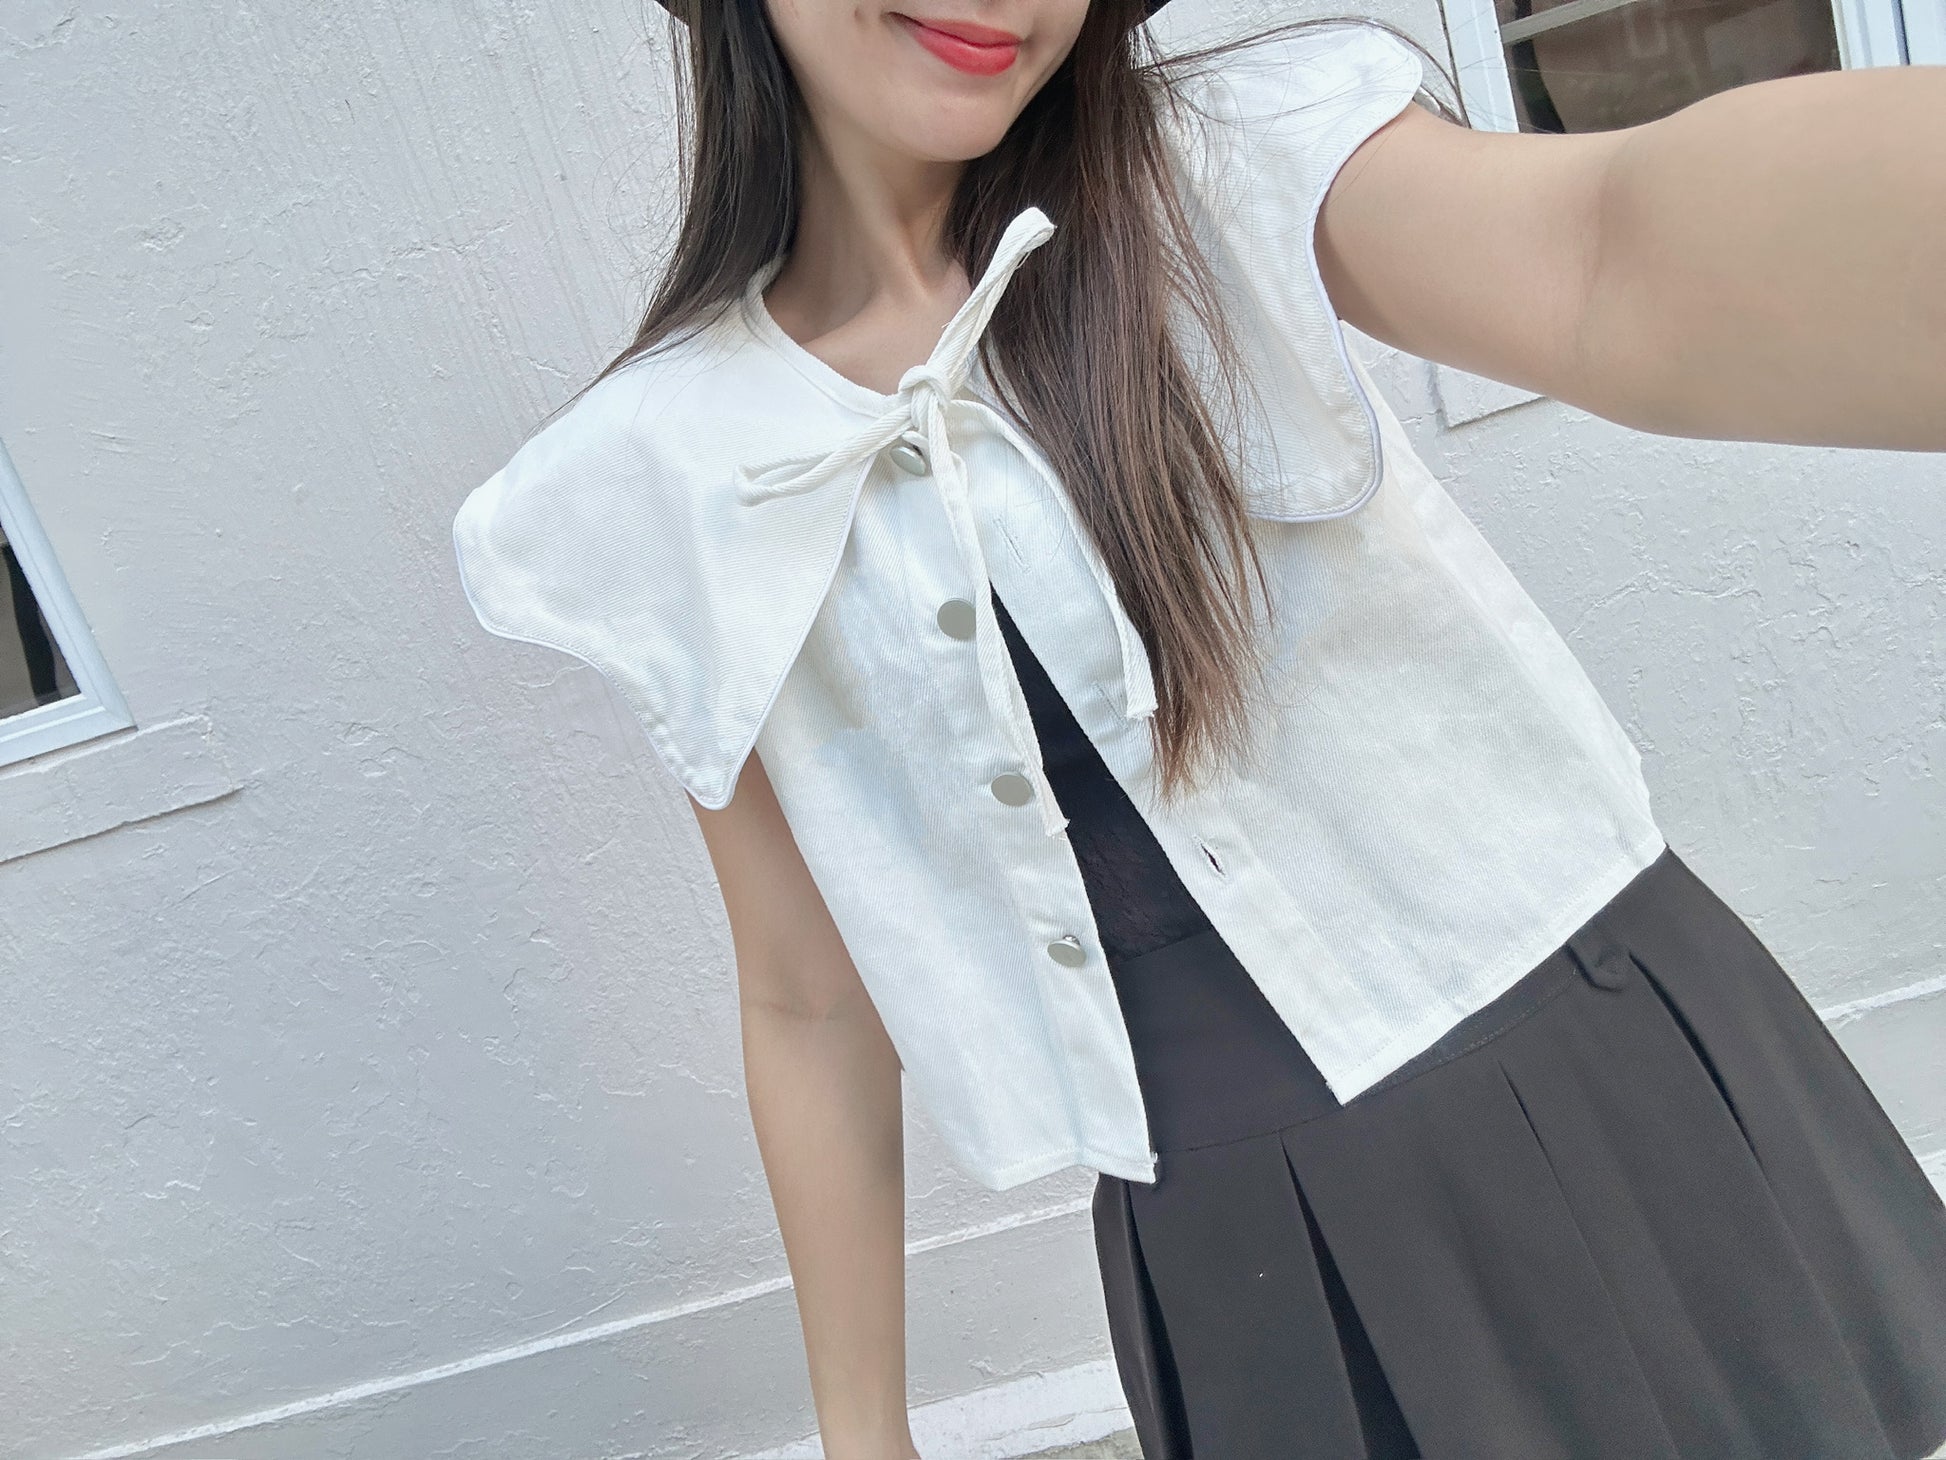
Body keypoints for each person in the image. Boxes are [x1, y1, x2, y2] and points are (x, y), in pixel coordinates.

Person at [449, 2, 1946, 1456]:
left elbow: (1603, 253)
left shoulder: (1225, 168)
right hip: (1250, 1255)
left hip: (1610, 1074)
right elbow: (807, 997)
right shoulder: (669, 471)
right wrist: (864, 1434)